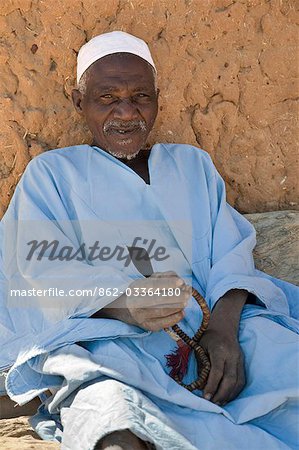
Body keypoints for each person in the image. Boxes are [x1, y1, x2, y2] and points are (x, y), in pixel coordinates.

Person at [0, 31, 298, 450]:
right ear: (78, 101)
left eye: (141, 96)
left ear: (158, 99)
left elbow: (231, 255)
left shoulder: (192, 164)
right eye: (107, 98)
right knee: (112, 413)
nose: (126, 113)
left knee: (286, 364)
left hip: (216, 322)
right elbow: (40, 274)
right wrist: (125, 303)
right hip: (112, 336)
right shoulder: (53, 175)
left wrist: (225, 332)